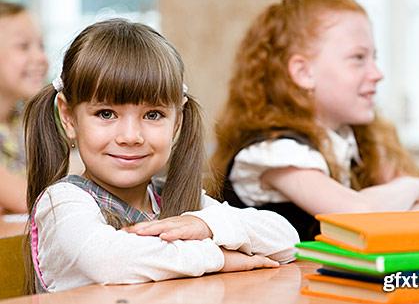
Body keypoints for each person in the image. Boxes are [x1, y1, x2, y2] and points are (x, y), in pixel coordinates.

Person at [24, 19, 298, 293]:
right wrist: (218, 257)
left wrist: (206, 225)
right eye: (106, 114)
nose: (130, 136)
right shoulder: (61, 203)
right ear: (68, 116)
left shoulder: (171, 201)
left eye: (153, 115)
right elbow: (108, 260)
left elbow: (286, 240)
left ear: (176, 121)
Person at [208, 0, 419, 241]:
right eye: (358, 58)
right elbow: (359, 212)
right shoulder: (272, 154)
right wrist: (416, 188)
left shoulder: (357, 141)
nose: (377, 73)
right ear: (303, 72)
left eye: (374, 58)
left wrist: (418, 202)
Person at [0, 0, 48, 214]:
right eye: (23, 46)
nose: (40, 58)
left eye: (41, 46)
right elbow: (30, 199)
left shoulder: (22, 122)